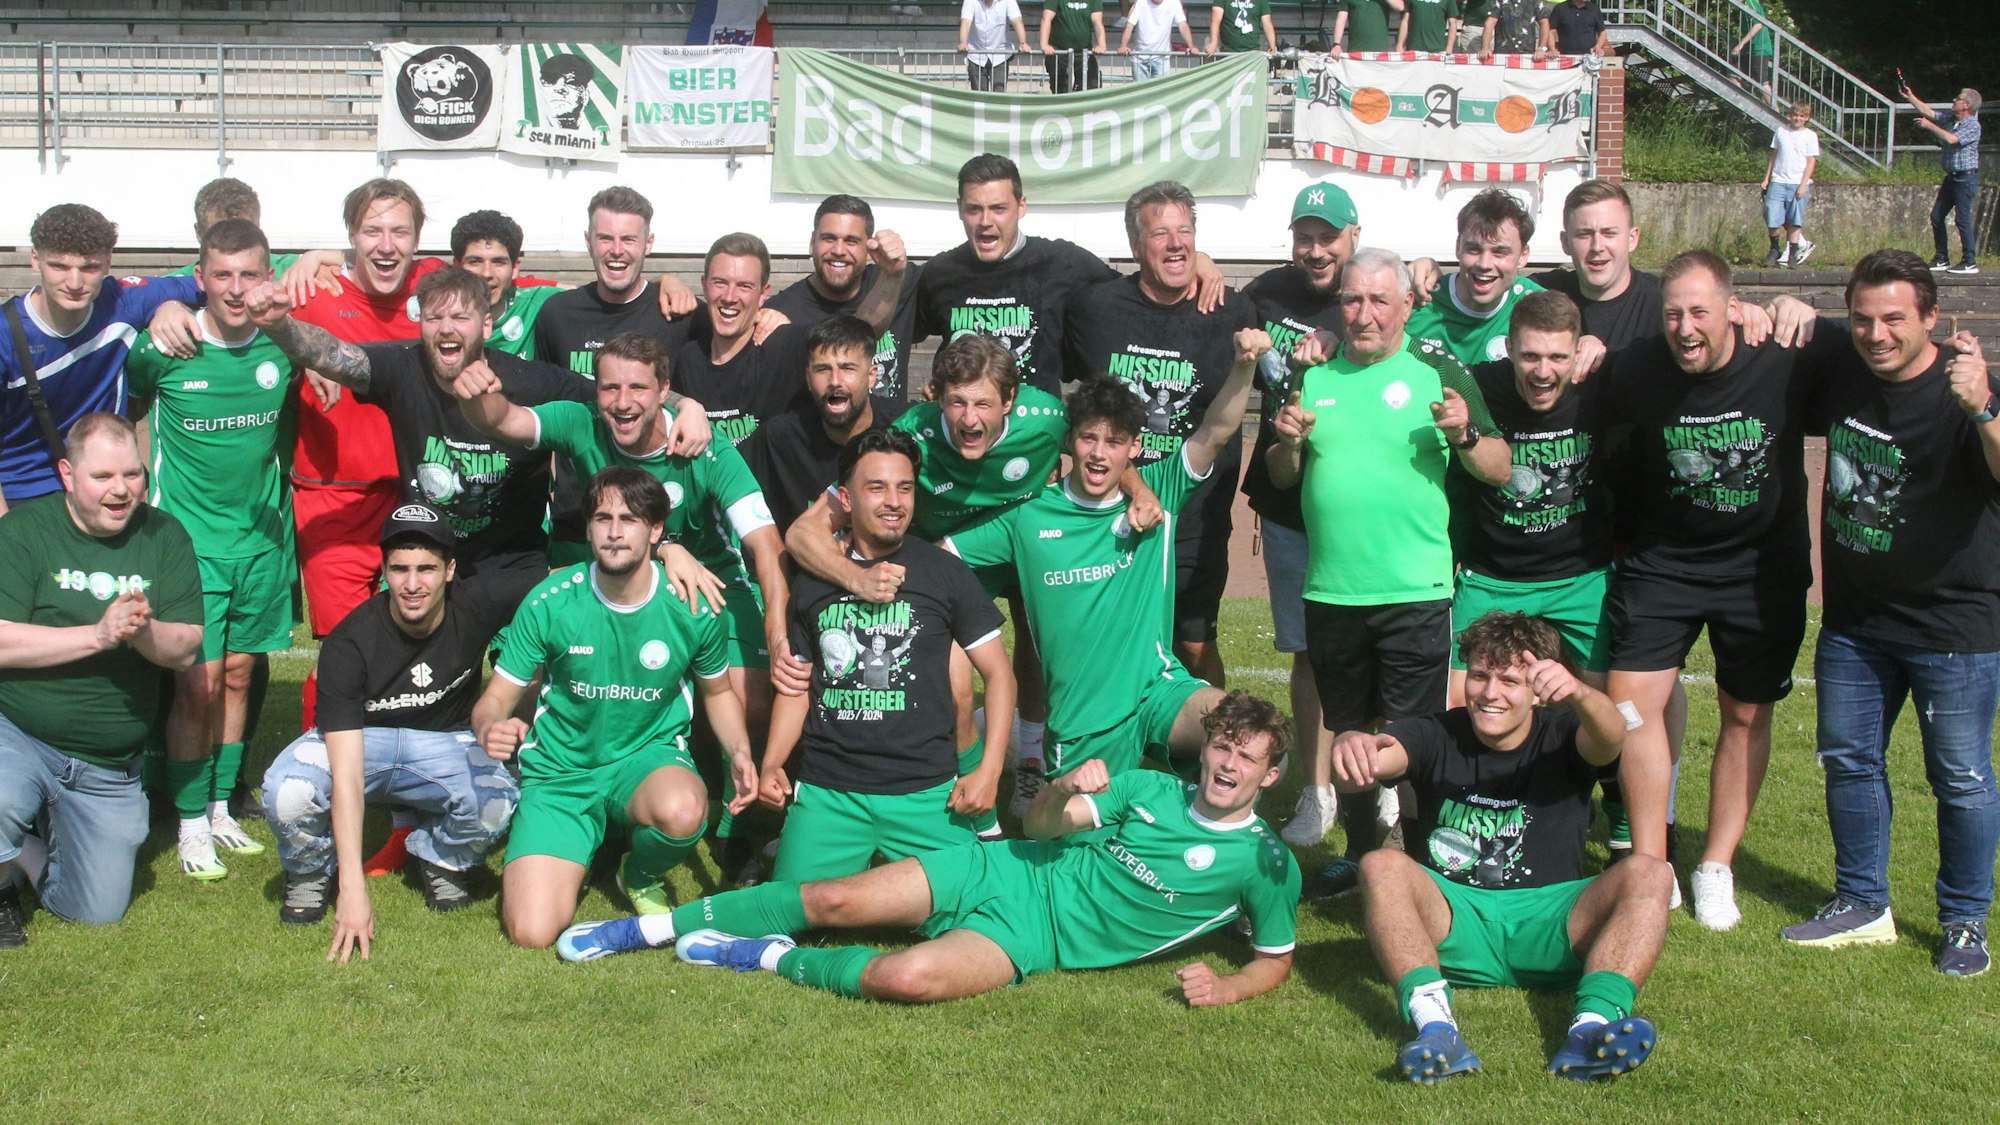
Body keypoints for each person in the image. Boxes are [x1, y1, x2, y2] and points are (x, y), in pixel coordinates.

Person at [554, 690, 1301, 1013]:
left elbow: (1275, 958)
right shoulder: (1148, 786)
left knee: (905, 977)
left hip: (1032, 938)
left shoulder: (1266, 865)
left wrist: (1228, 988)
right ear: (1207, 746)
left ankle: (764, 956)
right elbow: (1043, 828)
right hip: (1006, 867)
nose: (1228, 765)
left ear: (1270, 776)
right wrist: (1061, 788)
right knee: (831, 898)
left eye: (1248, 758)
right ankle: (641, 930)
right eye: (1223, 747)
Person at [1597, 249, 1841, 930]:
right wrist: (1587, 347)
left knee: (1745, 715)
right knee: (1630, 710)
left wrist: (1802, 309)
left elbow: (1876, 358)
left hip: (1760, 570)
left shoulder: (1780, 354)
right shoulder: (1638, 366)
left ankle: (1715, 866)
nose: (1685, 327)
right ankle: (1652, 861)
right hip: (1664, 564)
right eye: (1673, 313)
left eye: (1699, 311)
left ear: (1734, 309)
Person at [1779, 250, 2000, 977]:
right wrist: (1780, 308)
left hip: (1954, 627)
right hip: (1855, 623)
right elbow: (1777, 324)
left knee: (1960, 777)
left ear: (1932, 317)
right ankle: (1862, 903)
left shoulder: (1968, 383)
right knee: (1849, 762)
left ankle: (1964, 922)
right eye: (1864, 319)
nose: (1877, 334)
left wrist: (1984, 409)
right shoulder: (1844, 357)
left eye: (1895, 319)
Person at [1267, 248, 1511, 897]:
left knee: (1412, 737)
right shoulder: (1314, 373)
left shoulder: (1439, 370)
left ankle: (1423, 866)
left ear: (1406, 305)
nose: (1365, 313)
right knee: (1349, 734)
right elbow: (1280, 475)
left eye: (1379, 300)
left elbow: (1499, 467)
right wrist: (1287, 443)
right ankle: (1360, 855)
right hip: (1332, 591)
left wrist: (1464, 435)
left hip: (1415, 591)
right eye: (1353, 300)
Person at [1340, 612, 1670, 1083]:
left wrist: (1579, 693)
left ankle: (1590, 1031)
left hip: (1552, 926)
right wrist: (1356, 746)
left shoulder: (1563, 732)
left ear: (1539, 690)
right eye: (1479, 675)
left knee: (1652, 872)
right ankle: (1436, 1029)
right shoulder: (1438, 731)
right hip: (1454, 924)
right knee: (1380, 865)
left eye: (1510, 681)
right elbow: (1385, 755)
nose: (1489, 693)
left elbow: (1611, 735)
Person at [945, 331, 1265, 783]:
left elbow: (1216, 430)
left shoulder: (1159, 492)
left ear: (1134, 448)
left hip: (1158, 691)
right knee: (1075, 823)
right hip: (1082, 721)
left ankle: (1205, 823)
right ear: (1070, 440)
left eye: (1114, 442)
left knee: (1244, 735)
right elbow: (941, 556)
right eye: (1088, 438)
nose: (1098, 453)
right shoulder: (1028, 517)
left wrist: (1245, 365)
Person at [786, 333, 1074, 817]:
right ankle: (963, 789)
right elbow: (802, 533)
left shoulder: (1048, 417)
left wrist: (1136, 486)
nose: (969, 419)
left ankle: (1030, 760)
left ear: (1010, 401)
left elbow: (1101, 449)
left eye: (983, 404)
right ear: (935, 396)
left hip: (1023, 547)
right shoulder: (911, 434)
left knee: (1048, 651)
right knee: (958, 686)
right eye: (957, 402)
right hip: (947, 562)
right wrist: (854, 578)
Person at [472, 468, 758, 947]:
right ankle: (578, 845)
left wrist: (741, 753)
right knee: (531, 932)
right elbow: (495, 699)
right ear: (588, 528)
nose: (614, 531)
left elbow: (719, 692)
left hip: (645, 760)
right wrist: (488, 727)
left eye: (629, 519)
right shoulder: (550, 601)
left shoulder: (694, 605)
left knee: (684, 809)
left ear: (656, 530)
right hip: (561, 772)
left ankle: (637, 873)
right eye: (602, 518)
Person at [260, 502, 519, 951]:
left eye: (426, 569)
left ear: (450, 570)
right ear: (384, 571)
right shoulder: (349, 642)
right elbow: (347, 774)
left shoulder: (478, 604)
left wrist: (651, 560)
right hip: (363, 745)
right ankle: (310, 869)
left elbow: (561, 582)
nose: (412, 584)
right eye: (400, 569)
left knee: (499, 798)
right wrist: (353, 888)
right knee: (287, 791)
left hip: (443, 742)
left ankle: (440, 857)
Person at [758, 430, 1015, 882]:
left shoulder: (944, 572)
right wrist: (773, 763)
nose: (893, 501)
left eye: (905, 488)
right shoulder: (815, 581)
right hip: (830, 789)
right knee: (791, 909)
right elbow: (797, 687)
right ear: (846, 499)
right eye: (876, 488)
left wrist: (989, 771)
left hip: (926, 790)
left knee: (973, 910)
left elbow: (999, 677)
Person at [125, 219, 298, 881]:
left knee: (239, 677)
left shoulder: (284, 345)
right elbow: (126, 408)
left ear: (266, 277)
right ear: (199, 278)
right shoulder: (165, 345)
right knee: (197, 687)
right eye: (221, 274)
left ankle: (222, 805)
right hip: (189, 548)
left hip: (261, 544)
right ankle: (190, 819)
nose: (235, 288)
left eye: (248, 274)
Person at [249, 266, 598, 587]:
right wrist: (278, 325)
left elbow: (608, 407)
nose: (446, 328)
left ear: (486, 325)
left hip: (511, 566)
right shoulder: (403, 368)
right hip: (426, 559)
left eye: (460, 317)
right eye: (434, 317)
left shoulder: (534, 382)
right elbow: (329, 354)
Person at [0, 414, 203, 945]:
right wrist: (98, 634)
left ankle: (25, 851)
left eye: (132, 474)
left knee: (95, 911)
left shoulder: (164, 535)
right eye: (104, 477)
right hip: (18, 731)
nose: (121, 490)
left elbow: (185, 648)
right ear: (67, 475)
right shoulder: (23, 531)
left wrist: (142, 632)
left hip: (105, 761)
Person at [1065, 182, 1258, 691]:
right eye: (1160, 234)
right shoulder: (1095, 307)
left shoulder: (1232, 312)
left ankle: (1217, 733)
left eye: (1185, 232)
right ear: (1135, 246)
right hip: (1111, 510)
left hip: (1196, 512)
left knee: (1194, 646)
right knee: (1112, 640)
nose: (1176, 244)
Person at [1243, 182, 1360, 850]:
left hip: (1359, 506)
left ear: (1354, 237)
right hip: (1289, 504)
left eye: (1329, 237)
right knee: (1310, 653)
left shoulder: (1372, 293)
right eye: (1305, 237)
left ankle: (1379, 782)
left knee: (1375, 647)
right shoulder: (1266, 292)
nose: (1316, 250)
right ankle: (1317, 791)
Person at [915, 154, 1223, 396]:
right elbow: (902, 328)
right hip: (960, 434)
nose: (986, 221)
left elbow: (1136, 292)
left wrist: (1196, 260)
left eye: (998, 208)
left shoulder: (1063, 263)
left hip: (1034, 442)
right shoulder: (940, 272)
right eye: (974, 209)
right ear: (959, 209)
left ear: (1021, 206)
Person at [1446, 292, 1613, 707]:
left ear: (1577, 353)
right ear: (1508, 348)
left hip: (1580, 578)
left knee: (1610, 703)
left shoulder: (1600, 385)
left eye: (1557, 357)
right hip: (1493, 579)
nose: (1543, 371)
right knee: (1457, 703)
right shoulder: (1478, 386)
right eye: (1530, 356)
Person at [0, 204, 202, 513]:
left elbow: (215, 282)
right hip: (22, 488)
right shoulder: (5, 334)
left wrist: (170, 304)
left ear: (108, 262)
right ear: (35, 259)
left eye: (89, 268)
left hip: (106, 485)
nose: (74, 282)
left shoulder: (122, 301)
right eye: (59, 266)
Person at [741, 315, 909, 535]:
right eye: (823, 369)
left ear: (871, 376)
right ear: (808, 379)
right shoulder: (778, 439)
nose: (835, 381)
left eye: (847, 368)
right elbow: (726, 480)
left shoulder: (905, 427)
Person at [765, 195, 924, 401]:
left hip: (893, 422)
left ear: (869, 247)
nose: (839, 250)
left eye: (852, 241)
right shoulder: (782, 313)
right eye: (829, 238)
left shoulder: (900, 280)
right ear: (812, 243)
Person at [1407, 188, 1545, 367]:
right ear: (1458, 247)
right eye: (1473, 249)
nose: (1484, 264)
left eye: (1500, 252)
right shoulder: (1419, 303)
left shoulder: (1537, 307)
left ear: (1523, 256)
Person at [451, 210, 561, 359]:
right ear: (457, 267)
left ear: (515, 268)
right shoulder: (437, 316)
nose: (486, 273)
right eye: (475, 262)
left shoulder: (535, 304)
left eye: (498, 262)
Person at [1899, 81, 1983, 275]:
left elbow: (1951, 139)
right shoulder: (1952, 120)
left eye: (1958, 99)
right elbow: (1929, 112)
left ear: (1967, 105)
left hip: (1966, 179)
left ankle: (1969, 261)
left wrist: (1929, 126)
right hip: (1951, 178)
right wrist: (1910, 96)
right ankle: (1941, 258)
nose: (1954, 100)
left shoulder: (1972, 125)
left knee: (1962, 220)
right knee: (1936, 216)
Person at [1761, 102, 1820, 269]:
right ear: (1790, 115)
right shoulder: (1781, 132)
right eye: (1795, 115)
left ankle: (1792, 254)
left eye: (1802, 116)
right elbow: (1774, 156)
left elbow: (1811, 162)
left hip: (1797, 182)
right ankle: (1774, 249)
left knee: (1794, 220)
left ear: (1807, 118)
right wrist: (1767, 178)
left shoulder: (1810, 136)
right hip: (1778, 180)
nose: (1798, 118)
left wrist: (1803, 185)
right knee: (1771, 215)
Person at [960, 0, 1030, 92]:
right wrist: (963, 42)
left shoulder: (1008, 1)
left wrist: (1023, 43)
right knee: (979, 96)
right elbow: (965, 22)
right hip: (976, 55)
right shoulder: (970, 1)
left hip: (1000, 55)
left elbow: (1017, 21)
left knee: (999, 95)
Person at [1041, 0, 1105, 93]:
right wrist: (1044, 44)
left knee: (1091, 87)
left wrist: (1101, 44)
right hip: (1059, 52)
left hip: (1084, 52)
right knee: (1060, 89)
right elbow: (1046, 18)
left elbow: (1098, 23)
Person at [1118, 0, 1192, 81]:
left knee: (1162, 89)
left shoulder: (1174, 2)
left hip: (1162, 58)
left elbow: (1183, 25)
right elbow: (1129, 25)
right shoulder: (1140, 2)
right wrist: (1123, 45)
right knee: (1141, 89)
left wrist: (1191, 47)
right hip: (1139, 58)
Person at [1730, 0, 1775, 101]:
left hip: (1759, 48)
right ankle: (1743, 104)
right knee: (1734, 76)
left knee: (1762, 82)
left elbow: (1758, 24)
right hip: (1749, 49)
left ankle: (1775, 110)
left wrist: (1740, 45)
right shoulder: (1743, 5)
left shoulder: (1750, 2)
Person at [1480, 0, 1546, 59]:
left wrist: (1541, 48)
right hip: (1502, 53)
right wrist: (1485, 48)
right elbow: (1490, 23)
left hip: (1527, 54)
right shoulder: (1500, 1)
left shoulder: (1535, 1)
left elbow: (1544, 22)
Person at [1332, 0, 1402, 54]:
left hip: (1380, 52)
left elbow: (1400, 7)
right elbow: (1341, 19)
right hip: (1356, 50)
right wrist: (1336, 44)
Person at [1207, 0, 1275, 55]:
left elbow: (1267, 24)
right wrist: (1213, 42)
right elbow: (1215, 21)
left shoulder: (1261, 1)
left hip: (1252, 52)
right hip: (1228, 51)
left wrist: (1272, 46)